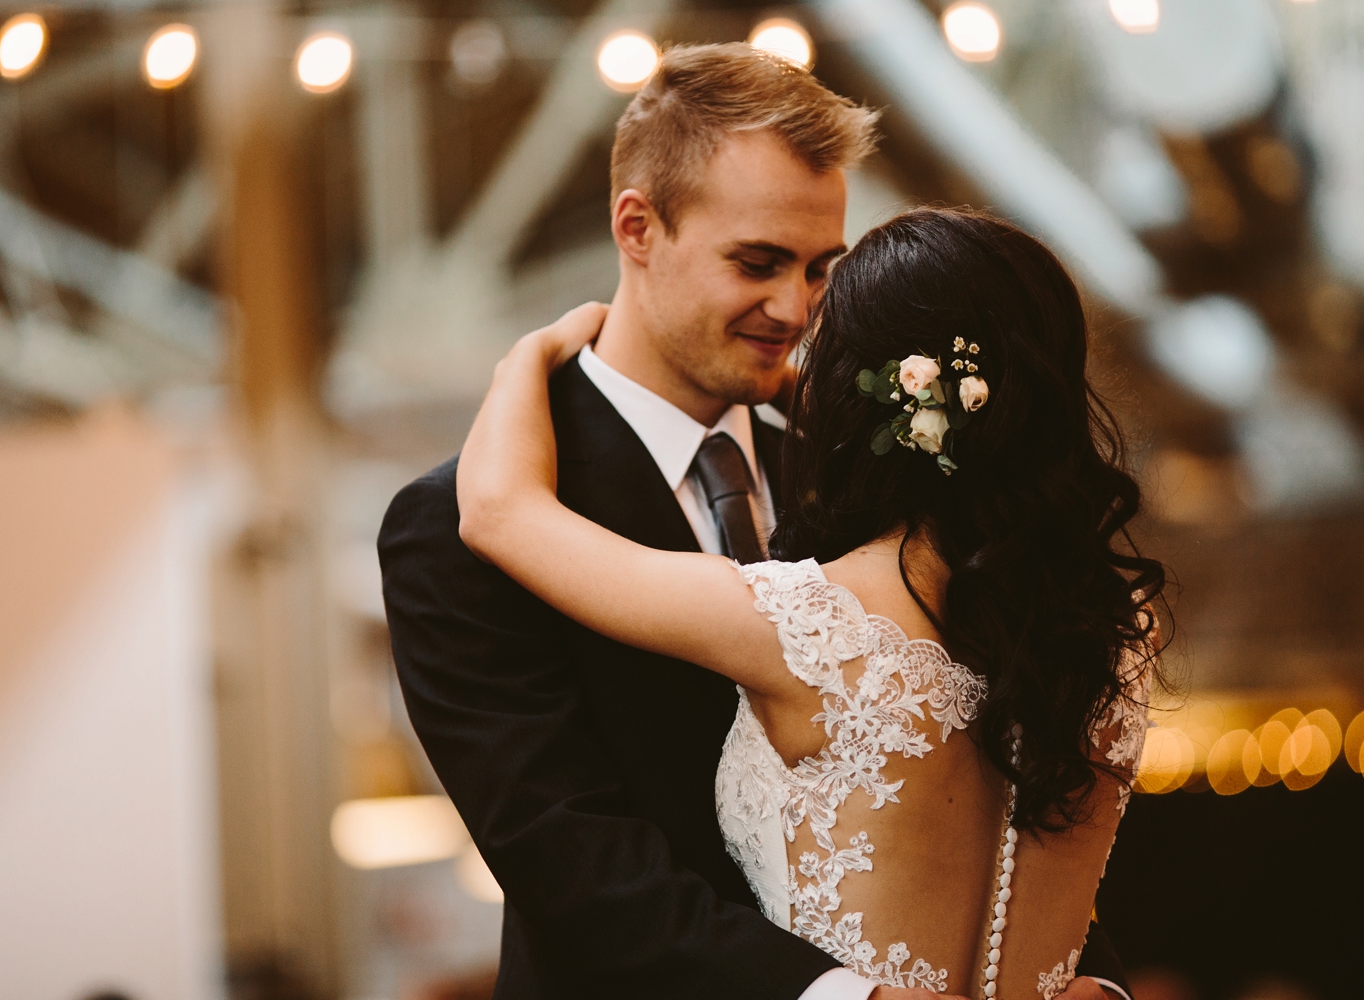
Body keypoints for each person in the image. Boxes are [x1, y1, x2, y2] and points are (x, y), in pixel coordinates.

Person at [379, 44, 1139, 1000]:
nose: (796, 307)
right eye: (758, 262)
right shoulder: (451, 528)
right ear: (637, 226)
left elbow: (1001, 788)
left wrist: (1074, 982)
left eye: (825, 268)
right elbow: (572, 864)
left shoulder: (877, 480)